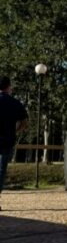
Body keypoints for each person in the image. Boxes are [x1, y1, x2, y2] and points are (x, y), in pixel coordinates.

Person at [0, 76, 29, 210]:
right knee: (1, 171)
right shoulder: (15, 103)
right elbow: (24, 122)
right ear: (8, 87)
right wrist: (16, 131)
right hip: (7, 142)